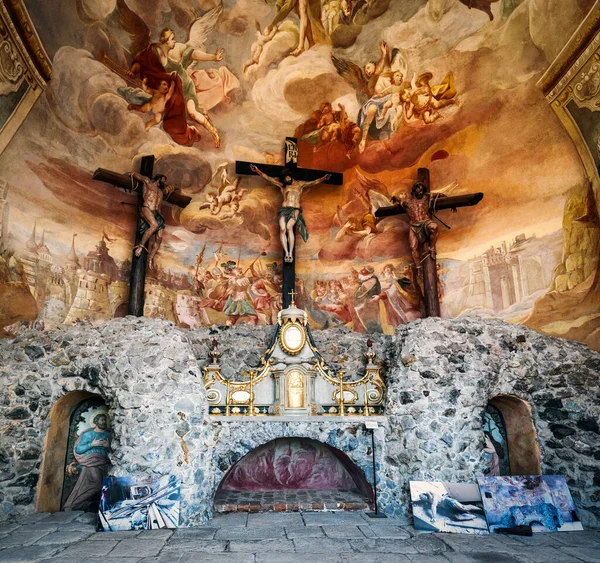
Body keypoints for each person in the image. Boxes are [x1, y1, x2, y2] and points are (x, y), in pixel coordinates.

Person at [249, 164, 331, 263]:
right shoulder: (283, 186)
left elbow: (313, 182)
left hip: (295, 209)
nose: (286, 180)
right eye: (284, 178)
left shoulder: (300, 184)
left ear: (290, 176)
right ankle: (287, 253)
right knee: (283, 229)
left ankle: (290, 253)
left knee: (289, 227)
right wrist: (258, 171)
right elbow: (269, 178)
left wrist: (324, 178)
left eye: (287, 177)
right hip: (284, 209)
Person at [64, 413, 111, 511]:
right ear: (96, 421)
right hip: (91, 463)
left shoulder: (108, 434)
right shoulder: (88, 434)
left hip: (104, 463)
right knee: (97, 485)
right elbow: (79, 449)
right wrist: (92, 444)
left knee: (105, 486)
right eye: (102, 420)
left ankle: (94, 506)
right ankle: (74, 504)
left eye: (105, 420)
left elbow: (115, 450)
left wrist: (108, 446)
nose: (104, 422)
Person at [129, 172, 176, 270]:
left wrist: (173, 188)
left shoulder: (161, 192)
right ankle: (140, 247)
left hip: (157, 214)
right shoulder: (148, 182)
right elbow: (138, 176)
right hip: (147, 209)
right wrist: (131, 174)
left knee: (159, 238)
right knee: (154, 226)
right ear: (159, 179)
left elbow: (170, 190)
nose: (164, 183)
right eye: (163, 180)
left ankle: (150, 258)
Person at [392, 182, 438, 268]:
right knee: (413, 247)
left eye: (421, 190)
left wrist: (453, 205)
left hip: (425, 222)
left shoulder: (426, 197)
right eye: (418, 190)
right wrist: (395, 198)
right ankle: (418, 266)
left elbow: (440, 195)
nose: (420, 192)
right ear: (414, 191)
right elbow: (398, 199)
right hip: (414, 226)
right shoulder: (407, 202)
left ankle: (432, 248)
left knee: (434, 227)